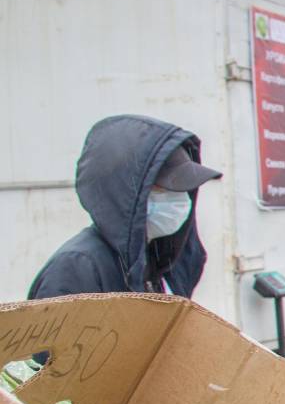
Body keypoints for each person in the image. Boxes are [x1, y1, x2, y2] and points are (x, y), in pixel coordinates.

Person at [29, 115, 221, 299]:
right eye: (167, 189)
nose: (180, 199)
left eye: (184, 189)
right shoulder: (78, 268)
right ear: (131, 192)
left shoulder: (156, 262)